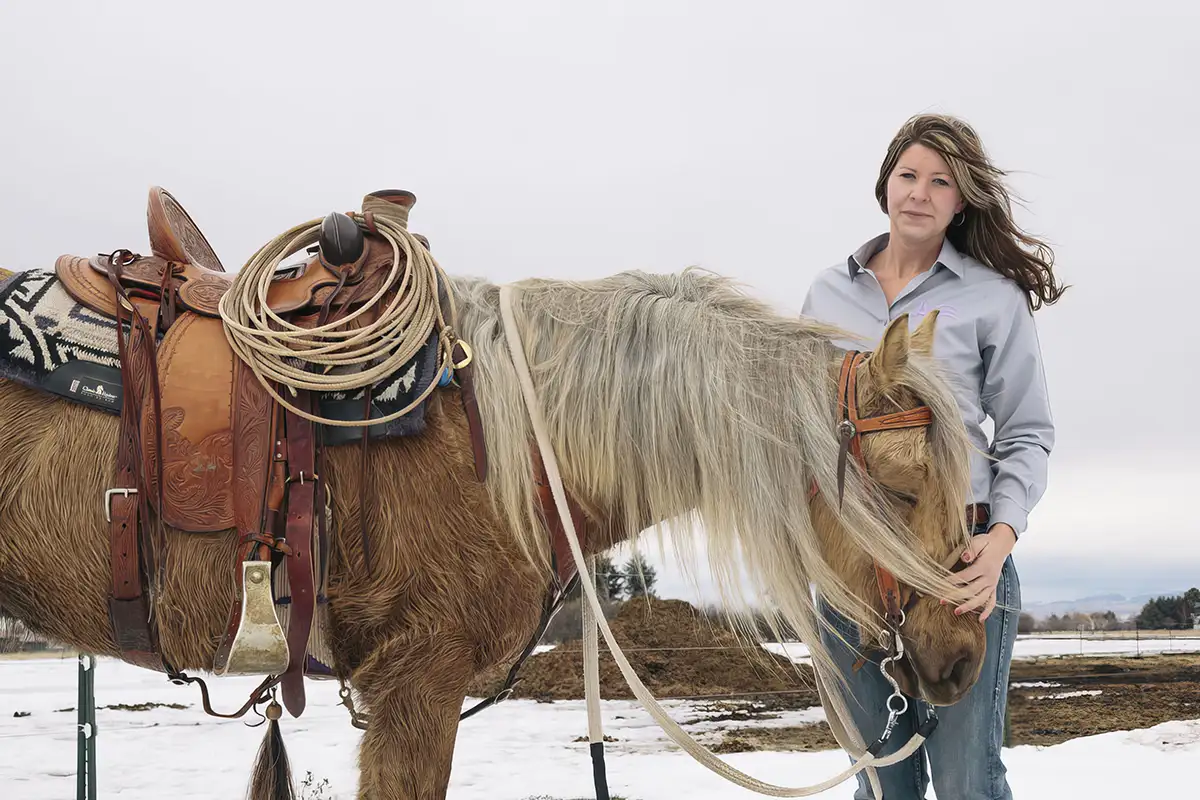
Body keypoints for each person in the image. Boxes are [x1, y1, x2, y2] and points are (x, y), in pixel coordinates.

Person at [801, 113, 1065, 799]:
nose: (919, 193)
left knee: (966, 782)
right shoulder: (826, 294)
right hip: (848, 567)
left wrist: (1000, 540)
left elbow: (1027, 432)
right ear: (884, 185)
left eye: (940, 181)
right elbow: (800, 426)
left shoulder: (992, 299)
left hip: (959, 554)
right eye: (908, 175)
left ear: (961, 200)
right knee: (882, 783)